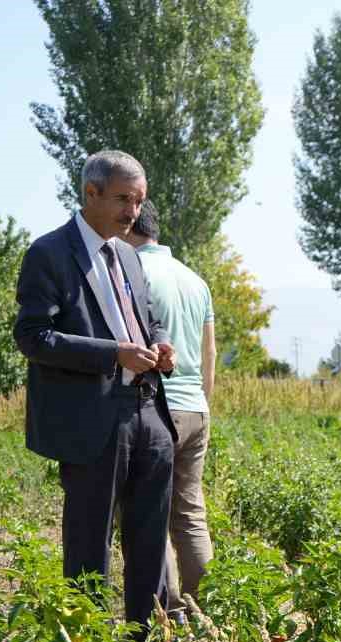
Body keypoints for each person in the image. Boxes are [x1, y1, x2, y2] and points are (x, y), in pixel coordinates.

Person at [14, 150, 178, 636]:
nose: (133, 211)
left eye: (139, 200)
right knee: (89, 545)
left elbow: (149, 320)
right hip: (92, 422)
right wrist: (113, 354)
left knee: (150, 541)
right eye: (124, 199)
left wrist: (159, 344)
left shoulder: (129, 255)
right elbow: (33, 336)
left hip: (149, 413)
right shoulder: (49, 253)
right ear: (91, 193)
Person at [126, 201, 217, 611]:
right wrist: (202, 405)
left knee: (148, 519)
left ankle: (168, 613)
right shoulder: (195, 280)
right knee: (190, 514)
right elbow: (208, 352)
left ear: (129, 227)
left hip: (156, 409)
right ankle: (209, 611)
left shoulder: (131, 272)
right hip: (196, 407)